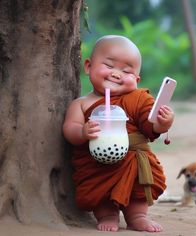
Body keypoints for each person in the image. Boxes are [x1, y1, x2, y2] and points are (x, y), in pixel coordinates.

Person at [63, 35, 174, 232]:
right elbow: (70, 129)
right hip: (96, 163)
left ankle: (138, 216)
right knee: (100, 191)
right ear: (88, 66)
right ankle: (108, 215)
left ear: (137, 80)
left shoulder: (138, 99)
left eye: (126, 71)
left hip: (133, 157)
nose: (116, 74)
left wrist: (162, 123)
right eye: (109, 65)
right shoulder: (81, 103)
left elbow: (150, 126)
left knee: (137, 190)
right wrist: (83, 131)